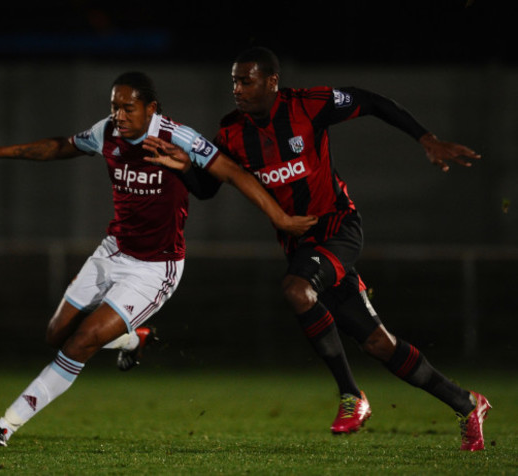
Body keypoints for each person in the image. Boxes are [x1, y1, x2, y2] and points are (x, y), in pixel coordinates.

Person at [142, 47, 490, 451]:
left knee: (295, 289)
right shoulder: (231, 133)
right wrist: (184, 167)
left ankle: (351, 395)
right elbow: (207, 190)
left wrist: (426, 138)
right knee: (378, 343)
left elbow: (371, 101)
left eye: (246, 80)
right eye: (234, 81)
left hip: (338, 226)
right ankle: (466, 404)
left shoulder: (307, 106)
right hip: (301, 246)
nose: (237, 89)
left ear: (272, 81)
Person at [0, 71, 315, 447]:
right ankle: (133, 340)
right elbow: (62, 146)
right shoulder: (107, 133)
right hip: (113, 250)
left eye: (128, 108)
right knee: (56, 334)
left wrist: (279, 218)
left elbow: (232, 173)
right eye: (114, 107)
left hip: (155, 267)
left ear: (151, 109)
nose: (119, 115)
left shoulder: (176, 136)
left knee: (81, 341)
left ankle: (5, 424)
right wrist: (1, 151)